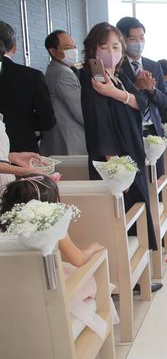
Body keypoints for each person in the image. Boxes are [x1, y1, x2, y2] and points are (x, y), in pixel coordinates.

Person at [79, 22, 162, 293]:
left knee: (137, 212)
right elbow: (98, 125)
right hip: (114, 162)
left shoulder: (119, 77)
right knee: (120, 218)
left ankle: (137, 276)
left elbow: (142, 103)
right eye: (104, 47)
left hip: (131, 153)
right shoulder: (91, 81)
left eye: (116, 47)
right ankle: (126, 279)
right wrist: (115, 167)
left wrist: (115, 93)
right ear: (93, 50)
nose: (111, 52)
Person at [0, 174, 104, 265]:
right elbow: (78, 260)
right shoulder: (51, 227)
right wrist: (93, 248)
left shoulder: (7, 226)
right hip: (48, 279)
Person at [0, 21, 55, 153]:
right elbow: (47, 120)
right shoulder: (32, 76)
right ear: (14, 47)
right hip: (24, 150)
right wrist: (25, 124)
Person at [41, 30, 86, 156]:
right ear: (53, 51)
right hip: (71, 140)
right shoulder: (63, 74)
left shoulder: (54, 68)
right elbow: (81, 112)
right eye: (68, 48)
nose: (73, 51)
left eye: (74, 46)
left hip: (60, 138)